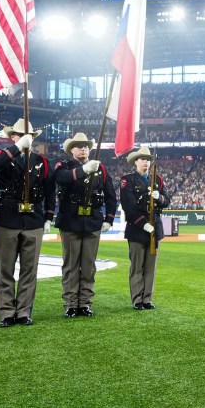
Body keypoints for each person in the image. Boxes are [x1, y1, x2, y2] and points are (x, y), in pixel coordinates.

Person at [0, 118, 56, 327]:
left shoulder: (41, 161)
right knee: (5, 269)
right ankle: (6, 312)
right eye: (20, 136)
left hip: (34, 220)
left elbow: (50, 191)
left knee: (29, 270)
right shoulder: (3, 155)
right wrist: (17, 148)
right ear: (13, 137)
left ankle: (24, 311)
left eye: (30, 136)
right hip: (8, 218)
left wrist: (48, 217)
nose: (27, 139)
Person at [52, 132, 117, 318]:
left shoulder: (101, 169)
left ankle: (85, 303)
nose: (83, 148)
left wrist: (109, 219)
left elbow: (110, 194)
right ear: (71, 149)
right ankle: (71, 304)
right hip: (71, 221)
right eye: (79, 146)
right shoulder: (63, 165)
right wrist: (83, 170)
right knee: (71, 265)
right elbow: (60, 179)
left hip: (92, 221)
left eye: (86, 146)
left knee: (88, 266)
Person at [119, 146, 170, 310]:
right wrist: (143, 224)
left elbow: (167, 201)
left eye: (148, 159)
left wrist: (160, 198)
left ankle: (147, 298)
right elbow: (129, 206)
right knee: (137, 266)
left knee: (150, 267)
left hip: (155, 229)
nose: (146, 162)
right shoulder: (128, 180)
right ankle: (137, 299)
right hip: (136, 229)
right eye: (142, 159)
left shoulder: (158, 180)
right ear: (136, 161)